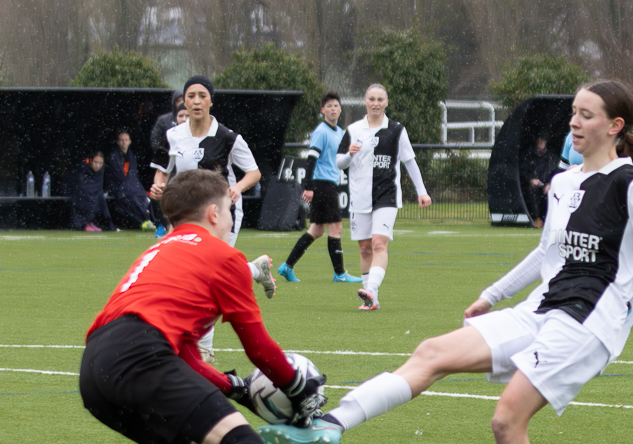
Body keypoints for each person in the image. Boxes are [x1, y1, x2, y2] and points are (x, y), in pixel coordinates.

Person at [258, 80, 633, 444]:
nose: (574, 122)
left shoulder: (632, 186)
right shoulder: (563, 182)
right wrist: (492, 295)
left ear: (615, 126)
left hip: (590, 324)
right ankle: (331, 424)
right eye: (574, 113)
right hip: (542, 309)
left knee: (506, 419)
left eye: (586, 115)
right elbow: (545, 253)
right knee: (432, 352)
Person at [79, 169, 327, 444]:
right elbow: (258, 347)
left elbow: (185, 354)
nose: (230, 218)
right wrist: (297, 387)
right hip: (140, 355)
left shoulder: (160, 249)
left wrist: (235, 388)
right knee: (243, 442)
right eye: (229, 209)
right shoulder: (223, 256)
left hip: (96, 370)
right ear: (213, 213)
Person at [150, 75, 275, 362]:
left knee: (208, 277)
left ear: (211, 101)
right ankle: (255, 270)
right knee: (184, 275)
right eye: (191, 96)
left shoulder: (228, 138)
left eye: (202, 95)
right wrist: (159, 187)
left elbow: (254, 173)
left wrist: (237, 188)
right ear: (184, 101)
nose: (196, 101)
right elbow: (162, 172)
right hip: (185, 214)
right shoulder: (172, 136)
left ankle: (204, 349)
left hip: (221, 215)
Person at [335, 83, 432, 311]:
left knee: (379, 243)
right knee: (365, 249)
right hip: (360, 196)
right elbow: (339, 162)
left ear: (386, 102)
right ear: (365, 101)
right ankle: (372, 300)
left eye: (380, 99)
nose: (376, 103)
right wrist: (349, 155)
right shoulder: (354, 129)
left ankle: (372, 289)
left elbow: (409, 161)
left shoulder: (397, 130)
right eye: (372, 99)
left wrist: (421, 191)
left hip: (387, 196)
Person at [276, 92, 361, 284]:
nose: (333, 109)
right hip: (322, 185)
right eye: (329, 106)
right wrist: (308, 186)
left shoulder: (339, 132)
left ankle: (287, 266)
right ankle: (340, 274)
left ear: (340, 109)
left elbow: (340, 161)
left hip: (329, 184)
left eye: (336, 105)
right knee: (336, 227)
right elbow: (311, 159)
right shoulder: (321, 131)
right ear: (323, 110)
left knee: (316, 230)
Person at [149, 91, 186, 237]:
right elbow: (156, 143)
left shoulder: (205, 131)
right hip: (170, 169)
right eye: (178, 100)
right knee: (158, 192)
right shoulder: (168, 130)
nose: (184, 119)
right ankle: (162, 225)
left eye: (187, 116)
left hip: (191, 177)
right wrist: (159, 186)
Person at [105, 129, 152, 230]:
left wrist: (133, 186)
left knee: (144, 196)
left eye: (126, 140)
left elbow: (133, 175)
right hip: (118, 186)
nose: (124, 142)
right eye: (122, 140)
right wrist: (128, 186)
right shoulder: (113, 156)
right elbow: (117, 177)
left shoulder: (131, 155)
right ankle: (143, 220)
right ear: (118, 142)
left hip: (130, 185)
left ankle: (150, 219)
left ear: (130, 141)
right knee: (132, 197)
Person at [520, 133, 560, 228]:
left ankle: (548, 219)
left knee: (552, 192)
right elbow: (522, 171)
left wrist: (550, 183)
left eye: (544, 139)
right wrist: (530, 179)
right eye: (540, 138)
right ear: (535, 140)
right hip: (532, 185)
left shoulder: (552, 157)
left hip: (547, 184)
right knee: (532, 190)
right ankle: (536, 218)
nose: (541, 141)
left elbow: (557, 172)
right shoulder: (528, 155)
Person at [69, 151, 114, 232]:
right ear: (90, 160)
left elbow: (98, 186)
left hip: (93, 192)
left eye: (100, 163)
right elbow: (80, 185)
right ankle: (85, 223)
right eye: (96, 162)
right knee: (86, 196)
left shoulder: (102, 169)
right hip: (77, 192)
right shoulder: (82, 166)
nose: (98, 165)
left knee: (100, 198)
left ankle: (92, 222)